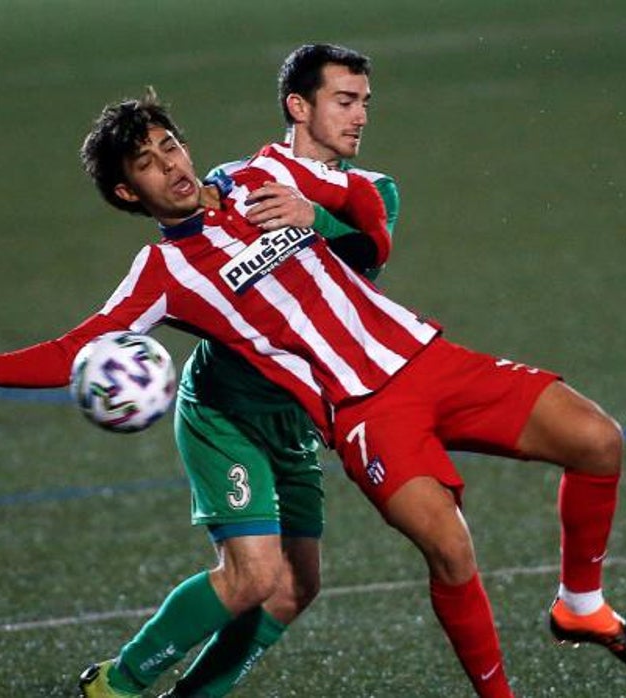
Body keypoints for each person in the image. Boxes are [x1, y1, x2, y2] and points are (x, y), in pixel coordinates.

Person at [0, 90, 626, 698]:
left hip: (431, 357)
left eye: (169, 144)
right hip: (360, 410)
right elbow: (79, 351)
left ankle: (579, 603)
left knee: (598, 439)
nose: (169, 165)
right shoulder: (163, 277)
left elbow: (377, 204)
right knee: (444, 550)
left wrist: (321, 213)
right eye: (146, 163)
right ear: (126, 192)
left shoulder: (259, 176)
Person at [97, 45, 400, 698]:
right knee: (252, 576)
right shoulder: (241, 181)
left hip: (293, 415)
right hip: (229, 408)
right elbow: (196, 251)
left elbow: (362, 260)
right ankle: (118, 685)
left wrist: (310, 216)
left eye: (364, 104)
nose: (359, 118)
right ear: (300, 108)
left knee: (297, 585)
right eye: (345, 102)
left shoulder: (375, 194)